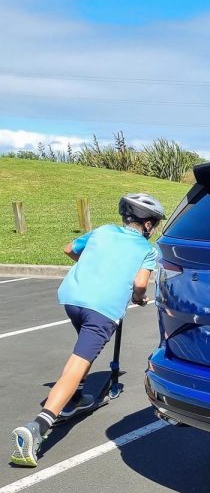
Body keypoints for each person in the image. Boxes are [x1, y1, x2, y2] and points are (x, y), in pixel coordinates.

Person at [10, 194, 163, 467]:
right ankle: (38, 427)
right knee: (77, 364)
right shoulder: (147, 250)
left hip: (72, 299)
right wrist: (138, 299)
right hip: (102, 309)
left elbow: (69, 249)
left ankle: (77, 396)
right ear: (148, 224)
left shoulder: (103, 230)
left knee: (84, 347)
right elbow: (140, 286)